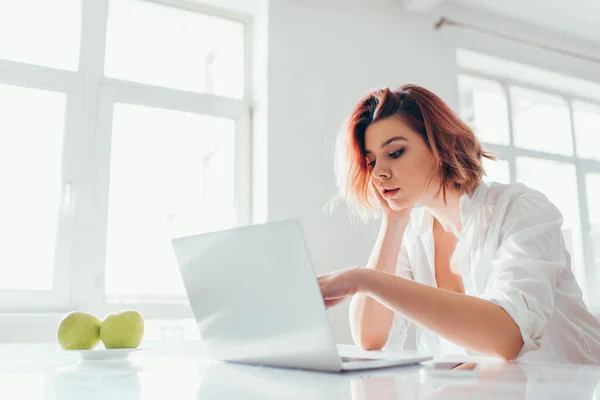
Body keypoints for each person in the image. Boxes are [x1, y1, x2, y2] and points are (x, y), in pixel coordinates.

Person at [318, 84, 600, 364]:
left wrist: (360, 279)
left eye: (395, 153)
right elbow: (369, 338)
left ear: (440, 145)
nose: (379, 172)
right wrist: (393, 222)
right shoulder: (414, 233)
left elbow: (507, 336)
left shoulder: (520, 209)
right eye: (371, 162)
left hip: (575, 388)